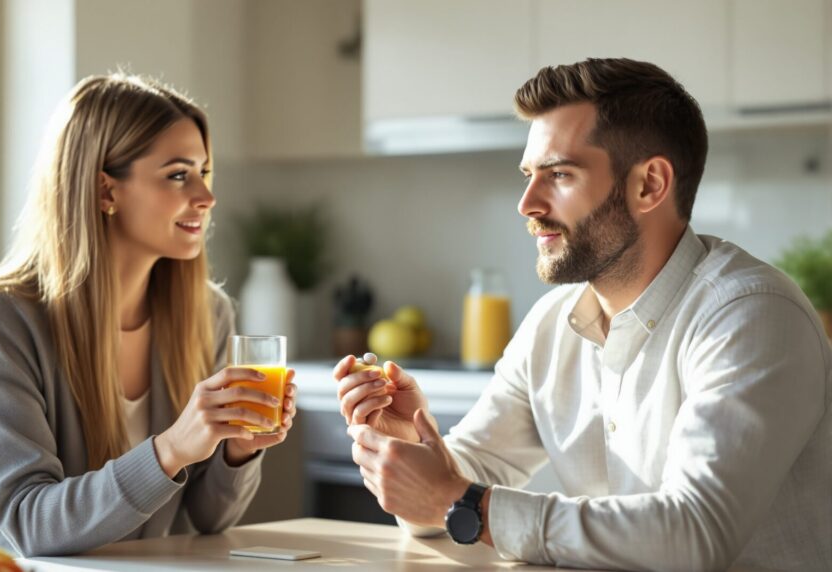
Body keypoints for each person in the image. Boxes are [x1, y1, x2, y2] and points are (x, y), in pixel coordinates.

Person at [334, 58, 830, 571]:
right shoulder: (552, 325)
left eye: (559, 174)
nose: (528, 203)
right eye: (528, 176)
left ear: (649, 185)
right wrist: (414, 450)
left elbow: (693, 535)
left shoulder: (751, 317)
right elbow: (457, 490)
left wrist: (462, 504)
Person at [0, 73, 297, 556]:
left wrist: (236, 449)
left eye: (203, 172)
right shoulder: (0, 323)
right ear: (106, 190)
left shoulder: (209, 314)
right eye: (178, 175)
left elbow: (210, 518)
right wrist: (172, 448)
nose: (206, 197)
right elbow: (29, 522)